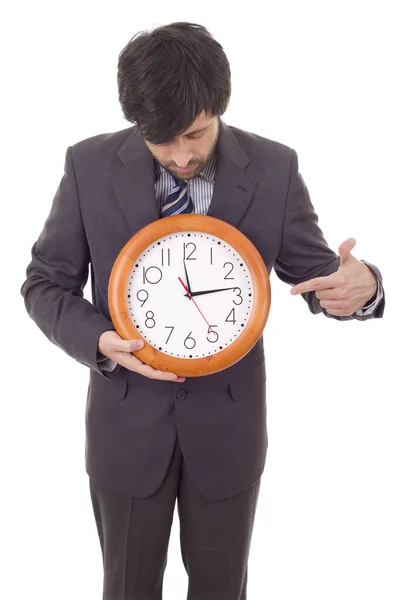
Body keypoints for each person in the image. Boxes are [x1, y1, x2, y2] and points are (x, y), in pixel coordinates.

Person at [20, 21, 385, 600]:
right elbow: (44, 283)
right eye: (160, 139)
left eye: (195, 133)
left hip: (228, 431)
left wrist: (362, 290)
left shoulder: (274, 168)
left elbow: (320, 278)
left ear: (218, 106)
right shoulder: (87, 166)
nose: (181, 155)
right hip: (126, 429)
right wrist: (96, 340)